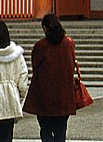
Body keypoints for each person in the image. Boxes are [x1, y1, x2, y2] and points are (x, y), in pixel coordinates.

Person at [23, 13, 77, 142]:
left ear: (45, 28)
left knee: (46, 129)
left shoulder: (40, 46)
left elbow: (35, 66)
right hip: (64, 95)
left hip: (45, 96)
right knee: (61, 131)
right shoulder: (68, 44)